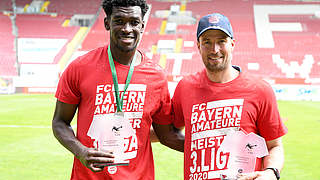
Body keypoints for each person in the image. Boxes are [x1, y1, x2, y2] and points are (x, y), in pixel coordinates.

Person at [52, 0, 183, 179]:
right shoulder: (79, 68)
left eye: (134, 22)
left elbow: (167, 135)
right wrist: (81, 152)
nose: (127, 28)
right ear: (107, 23)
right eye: (119, 21)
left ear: (142, 25)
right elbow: (60, 122)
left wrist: (211, 145)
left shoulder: (156, 76)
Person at [170, 13, 288, 180]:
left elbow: (275, 146)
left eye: (221, 41)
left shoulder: (260, 90)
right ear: (198, 46)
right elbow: (168, 130)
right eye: (207, 42)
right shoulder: (185, 87)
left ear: (232, 44)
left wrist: (271, 173)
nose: (214, 49)